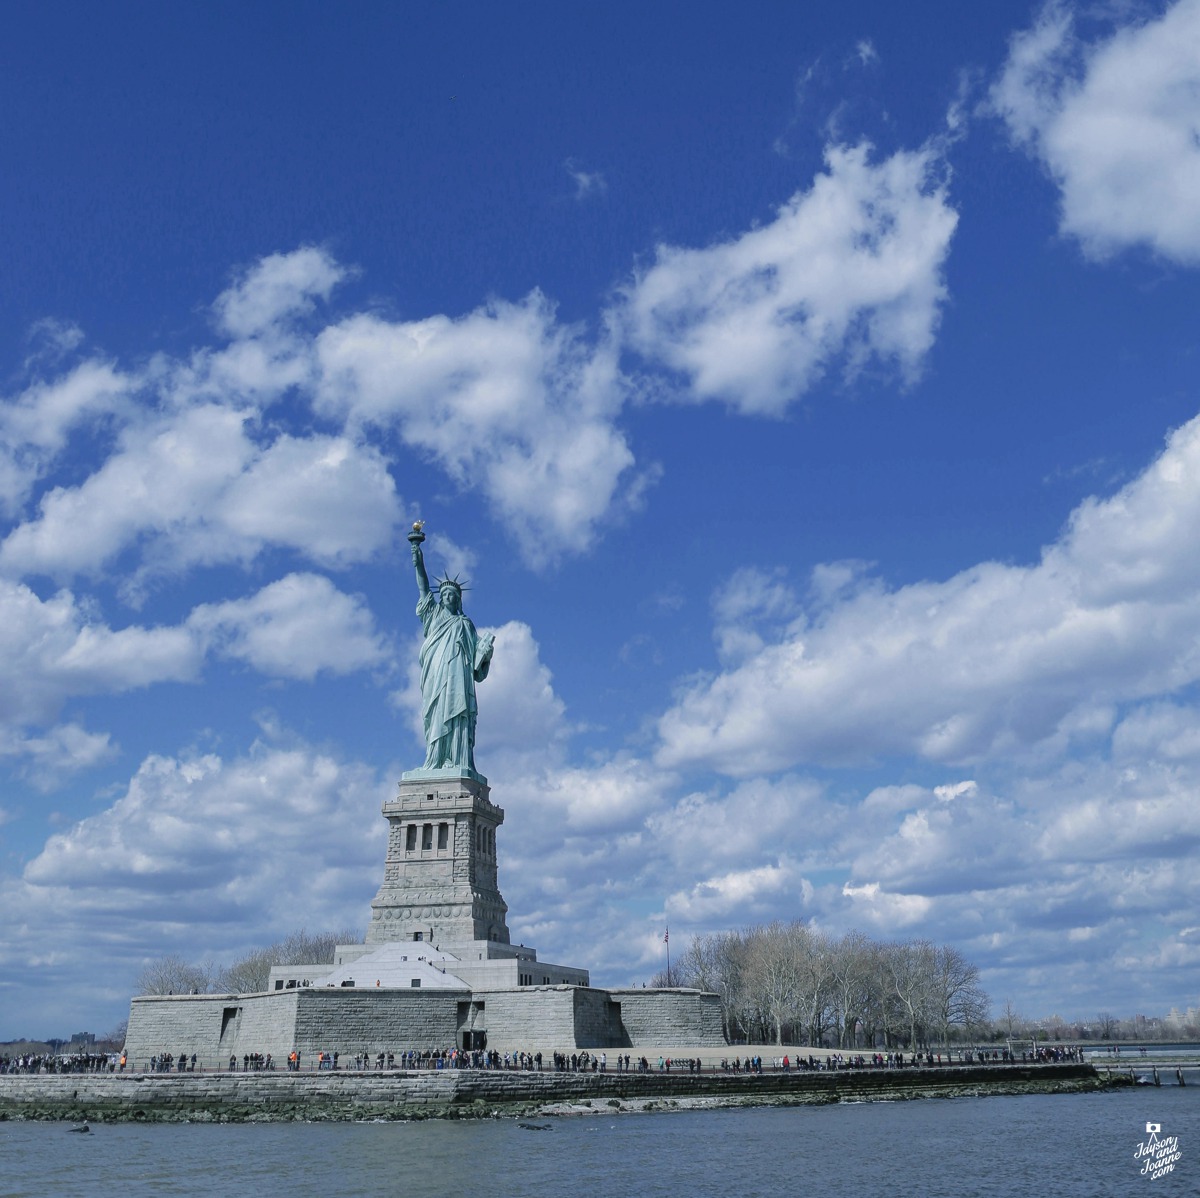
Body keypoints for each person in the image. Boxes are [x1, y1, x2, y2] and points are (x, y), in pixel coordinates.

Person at [410, 534, 494, 772]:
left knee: (458, 713)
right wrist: (418, 560)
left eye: (452, 595)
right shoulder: (433, 615)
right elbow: (423, 587)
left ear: (458, 600)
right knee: (436, 714)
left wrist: (485, 651)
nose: (447, 597)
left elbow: (478, 664)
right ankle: (435, 760)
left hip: (458, 677)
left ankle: (457, 760)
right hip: (436, 675)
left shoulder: (466, 624)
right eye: (444, 594)